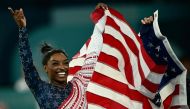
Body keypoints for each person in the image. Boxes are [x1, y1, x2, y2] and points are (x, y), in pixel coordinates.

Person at [9, 3, 153, 109]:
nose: (61, 67)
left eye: (65, 63)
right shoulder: (40, 88)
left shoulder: (79, 82)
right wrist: (22, 29)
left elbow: (93, 51)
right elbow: (27, 64)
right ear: (46, 68)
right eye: (55, 64)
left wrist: (100, 23)